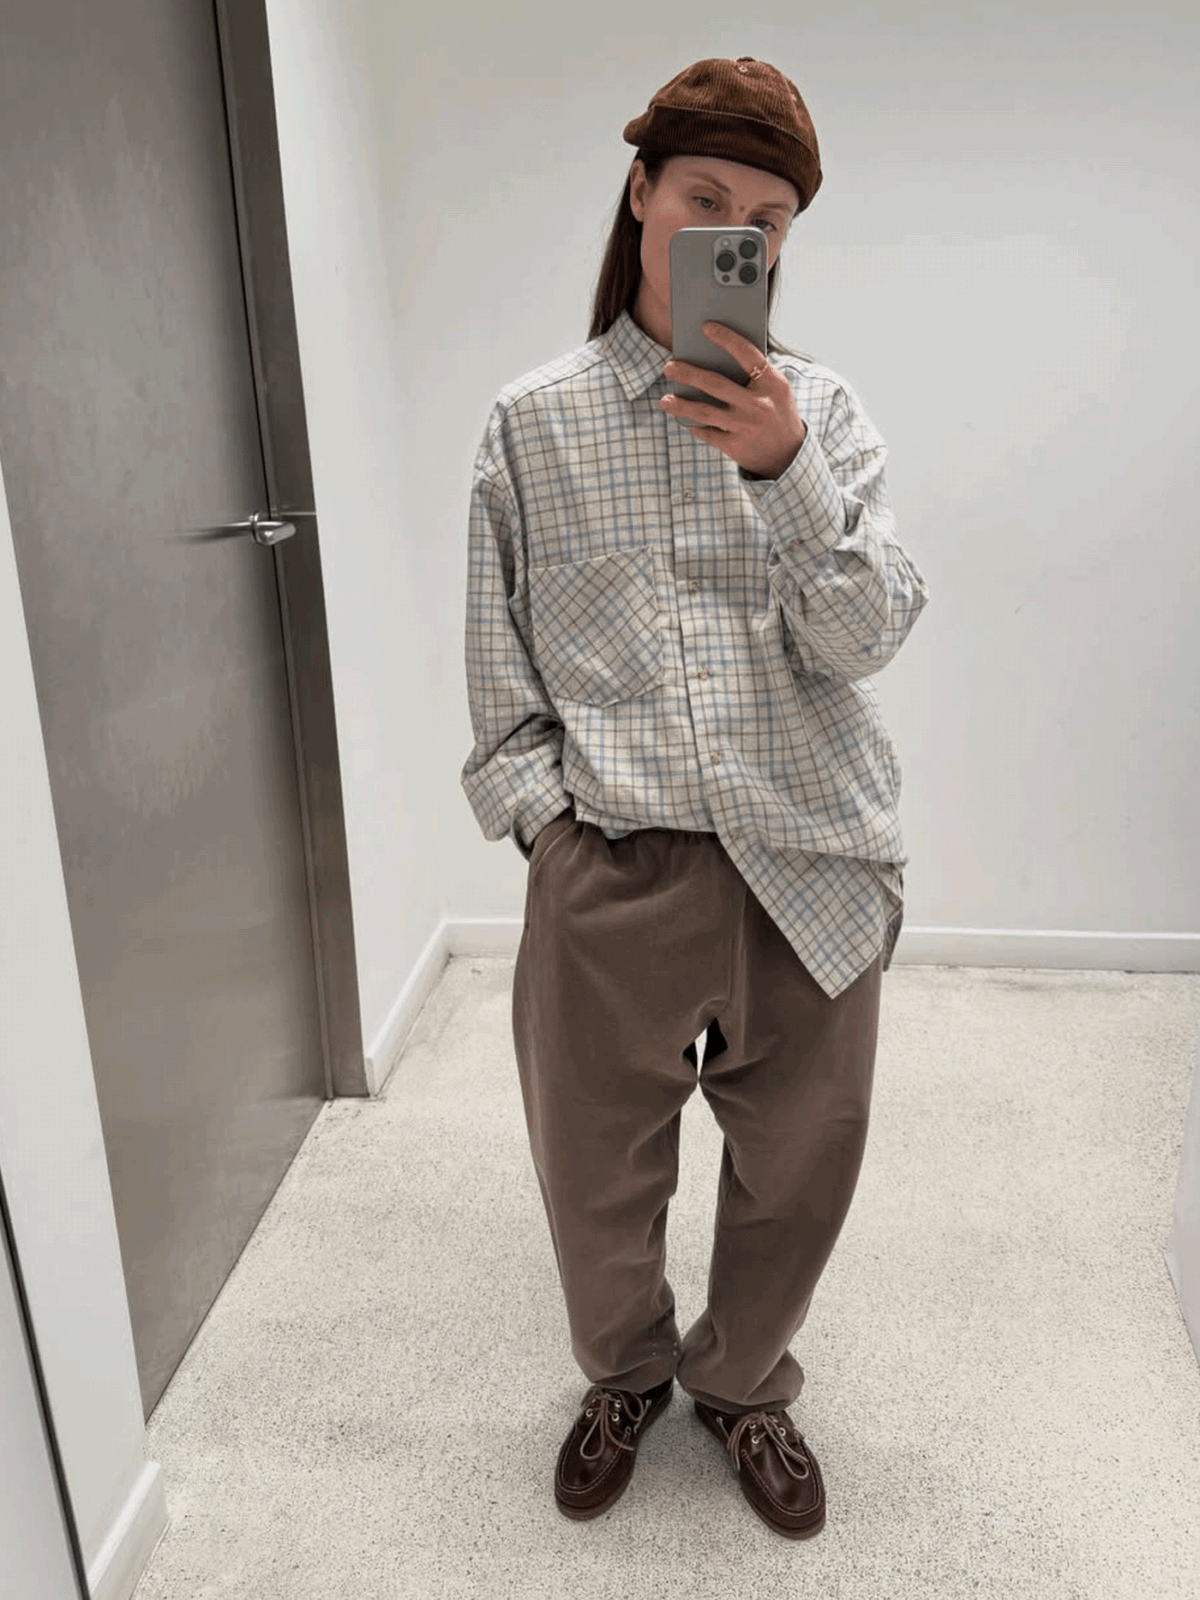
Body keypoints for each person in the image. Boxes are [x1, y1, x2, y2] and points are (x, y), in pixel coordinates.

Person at [460, 56, 930, 1540]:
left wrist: (787, 472)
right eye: (706, 198)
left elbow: (869, 636)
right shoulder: (531, 425)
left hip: (812, 858)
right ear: (641, 192)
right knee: (594, 1174)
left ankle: (740, 1385)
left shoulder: (826, 414)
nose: (736, 232)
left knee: (802, 1165)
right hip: (616, 868)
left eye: (766, 219)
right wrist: (552, 839)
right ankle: (626, 1375)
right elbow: (498, 675)